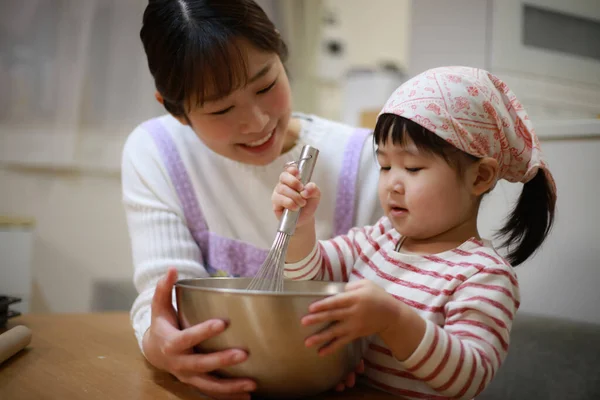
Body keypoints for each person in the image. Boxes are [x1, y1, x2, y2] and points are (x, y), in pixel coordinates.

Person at [121, 0, 382, 399]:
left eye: (265, 86)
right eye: (221, 109)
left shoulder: (363, 161)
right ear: (176, 111)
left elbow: (405, 295)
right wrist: (160, 345)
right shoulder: (158, 151)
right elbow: (162, 297)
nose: (258, 122)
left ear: (279, 51)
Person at [272, 66, 557, 399]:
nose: (393, 183)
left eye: (412, 168)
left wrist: (393, 319)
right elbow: (305, 278)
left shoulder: (482, 276)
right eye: (385, 166)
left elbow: (469, 377)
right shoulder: (375, 239)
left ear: (479, 177)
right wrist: (301, 225)